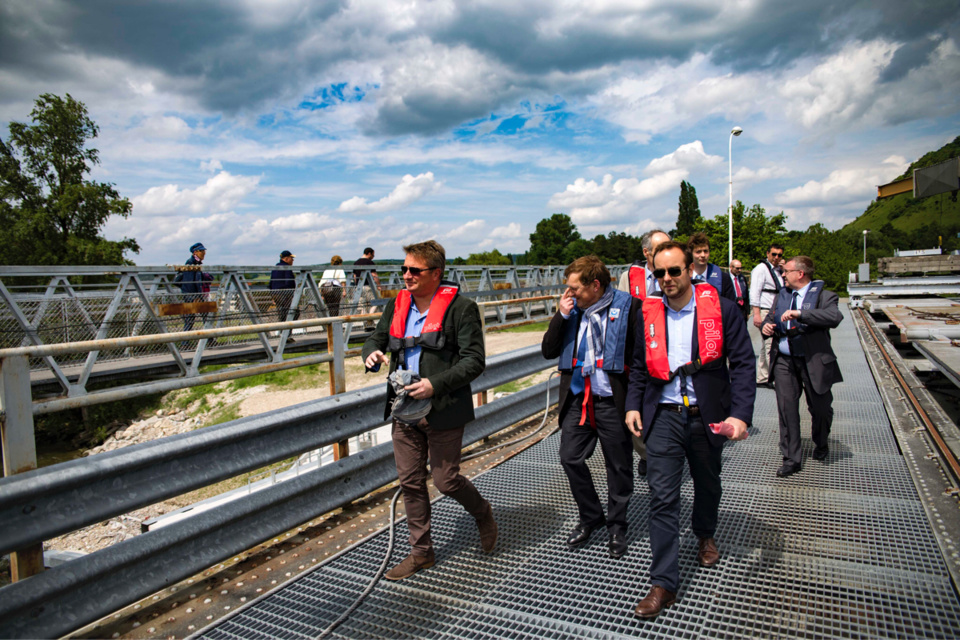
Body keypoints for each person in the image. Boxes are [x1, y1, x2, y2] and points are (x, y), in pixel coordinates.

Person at [625, 241, 755, 618]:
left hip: (707, 414)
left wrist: (740, 416)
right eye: (659, 273)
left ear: (690, 271)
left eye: (674, 271)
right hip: (663, 415)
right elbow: (638, 365)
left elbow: (744, 365)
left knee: (707, 482)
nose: (666, 279)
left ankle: (705, 533)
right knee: (662, 497)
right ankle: (663, 583)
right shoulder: (646, 314)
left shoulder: (724, 311)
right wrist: (633, 405)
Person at [362, 240, 497, 580]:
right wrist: (371, 354)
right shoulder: (397, 304)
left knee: (445, 480)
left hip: (442, 406)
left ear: (436, 274)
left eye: (413, 270)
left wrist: (435, 384)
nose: (405, 276)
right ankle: (422, 553)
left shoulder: (461, 309)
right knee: (410, 482)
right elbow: (376, 338)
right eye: (403, 269)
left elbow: (475, 361)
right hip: (404, 408)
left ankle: (482, 513)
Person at [542, 255, 641, 559]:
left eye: (575, 289)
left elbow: (639, 362)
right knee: (570, 458)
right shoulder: (572, 312)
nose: (570, 294)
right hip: (577, 400)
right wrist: (561, 314)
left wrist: (634, 404)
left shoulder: (629, 308)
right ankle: (591, 516)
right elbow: (548, 351)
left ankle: (617, 525)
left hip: (613, 401)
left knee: (619, 467)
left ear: (595, 286)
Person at [762, 256, 843, 477]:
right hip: (785, 360)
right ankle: (791, 458)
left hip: (813, 361)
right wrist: (767, 326)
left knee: (820, 408)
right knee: (787, 408)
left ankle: (821, 441)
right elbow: (770, 317)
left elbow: (834, 316)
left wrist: (801, 314)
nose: (782, 275)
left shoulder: (826, 296)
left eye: (786, 271)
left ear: (800, 273)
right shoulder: (782, 295)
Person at [617, 229, 670, 477]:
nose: (664, 253)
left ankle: (666, 450)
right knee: (637, 402)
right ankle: (646, 454)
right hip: (639, 350)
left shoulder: (674, 273)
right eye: (659, 249)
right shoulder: (629, 277)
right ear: (646, 252)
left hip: (669, 349)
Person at [750, 244, 785, 387]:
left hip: (774, 310)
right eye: (774, 254)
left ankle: (763, 376)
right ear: (768, 253)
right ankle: (774, 377)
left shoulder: (777, 271)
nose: (776, 258)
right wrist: (756, 314)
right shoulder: (761, 269)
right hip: (765, 310)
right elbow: (755, 292)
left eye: (779, 255)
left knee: (766, 345)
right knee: (771, 344)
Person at [687, 232, 737, 303]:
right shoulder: (684, 277)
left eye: (705, 251)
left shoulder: (723, 278)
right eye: (698, 252)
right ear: (691, 253)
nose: (703, 255)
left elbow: (731, 306)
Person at [270, 250, 299, 342]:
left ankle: (283, 333)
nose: (293, 261)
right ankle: (286, 334)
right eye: (291, 258)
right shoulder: (286, 268)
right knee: (294, 312)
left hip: (276, 294)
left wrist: (272, 296)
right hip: (285, 294)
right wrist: (294, 294)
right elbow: (289, 282)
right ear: (286, 259)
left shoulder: (275, 268)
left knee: (282, 314)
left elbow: (271, 282)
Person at [181, 242, 207, 337]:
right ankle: (185, 343)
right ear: (195, 252)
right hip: (192, 295)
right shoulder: (190, 263)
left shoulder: (196, 263)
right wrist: (194, 297)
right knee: (190, 319)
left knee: (203, 316)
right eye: (201, 251)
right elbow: (189, 282)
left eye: (204, 251)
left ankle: (209, 339)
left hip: (195, 295)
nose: (204, 253)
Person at [353, 247, 382, 319]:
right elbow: (374, 275)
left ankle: (365, 323)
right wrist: (378, 285)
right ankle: (370, 317)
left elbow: (354, 276)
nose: (373, 257)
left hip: (359, 287)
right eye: (373, 255)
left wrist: (357, 286)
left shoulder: (356, 263)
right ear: (369, 254)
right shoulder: (370, 262)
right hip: (368, 286)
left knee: (363, 306)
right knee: (377, 302)